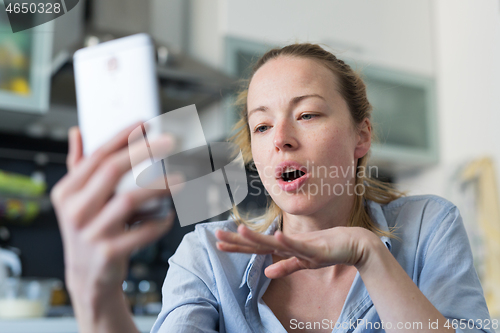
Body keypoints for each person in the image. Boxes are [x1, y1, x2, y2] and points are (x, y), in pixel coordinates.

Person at [51, 43, 494, 333]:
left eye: (307, 114)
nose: (280, 136)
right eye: (261, 125)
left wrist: (370, 255)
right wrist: (97, 295)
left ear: (361, 136)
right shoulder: (208, 253)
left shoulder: (428, 226)